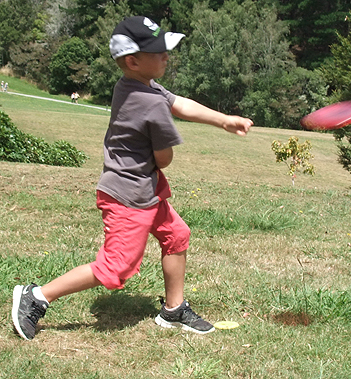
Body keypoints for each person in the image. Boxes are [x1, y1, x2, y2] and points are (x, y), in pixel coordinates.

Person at [11, 15, 253, 340]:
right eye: (159, 51)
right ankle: (37, 296)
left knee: (176, 235)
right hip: (129, 196)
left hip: (140, 187)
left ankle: (174, 308)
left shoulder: (133, 85)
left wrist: (223, 120)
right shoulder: (151, 105)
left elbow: (178, 103)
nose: (167, 56)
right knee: (115, 269)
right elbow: (164, 159)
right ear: (133, 60)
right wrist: (162, 146)